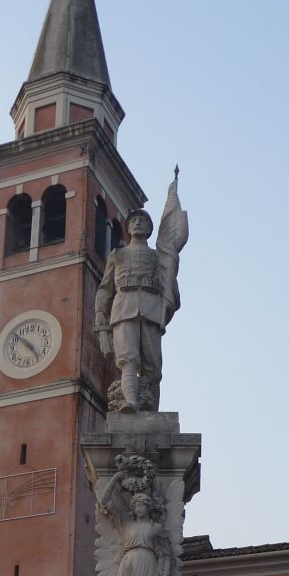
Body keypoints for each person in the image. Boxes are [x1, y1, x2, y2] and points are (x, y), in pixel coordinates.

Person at [95, 172, 187, 411]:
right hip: (123, 307)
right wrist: (101, 323)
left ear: (149, 228)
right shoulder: (117, 255)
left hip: (150, 308)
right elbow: (105, 290)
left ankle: (150, 411)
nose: (137, 223)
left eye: (142, 221)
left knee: (153, 366)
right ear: (128, 227)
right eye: (133, 221)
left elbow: (169, 269)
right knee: (128, 360)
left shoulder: (158, 256)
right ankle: (131, 403)